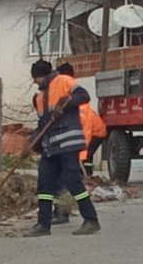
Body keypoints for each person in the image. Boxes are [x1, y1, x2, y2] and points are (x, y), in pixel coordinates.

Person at [23, 60, 101, 237]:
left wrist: (65, 104)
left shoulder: (64, 81)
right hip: (50, 147)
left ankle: (91, 219)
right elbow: (42, 124)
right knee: (44, 181)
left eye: (35, 79)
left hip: (68, 144)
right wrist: (31, 142)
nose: (35, 83)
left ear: (39, 76)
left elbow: (83, 95)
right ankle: (43, 224)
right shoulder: (39, 98)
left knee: (71, 179)